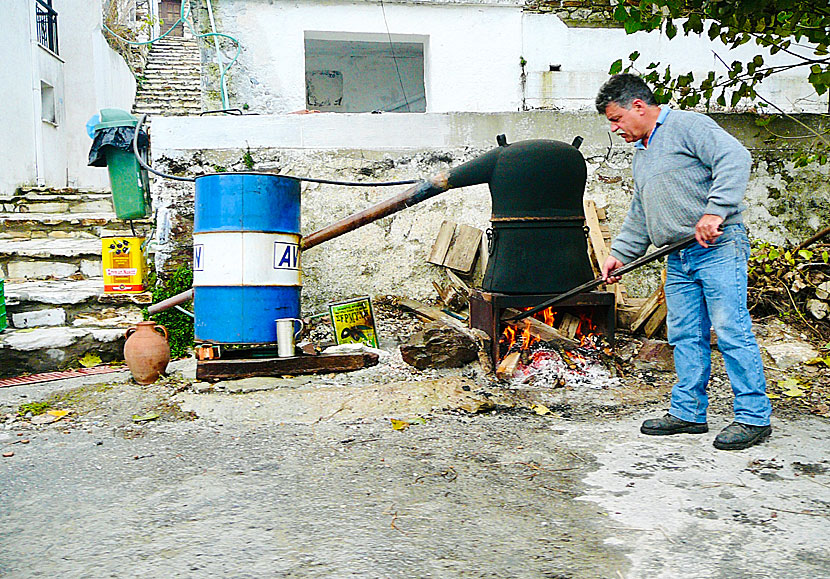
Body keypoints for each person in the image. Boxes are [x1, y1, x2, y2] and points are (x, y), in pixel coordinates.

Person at [595, 73, 772, 451]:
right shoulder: (642, 155)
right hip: (677, 256)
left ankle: (754, 418)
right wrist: (619, 255)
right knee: (684, 335)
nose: (614, 129)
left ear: (638, 107)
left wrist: (715, 212)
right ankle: (689, 413)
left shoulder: (688, 125)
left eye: (616, 119)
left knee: (731, 330)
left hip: (718, 247)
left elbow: (735, 157)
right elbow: (641, 213)